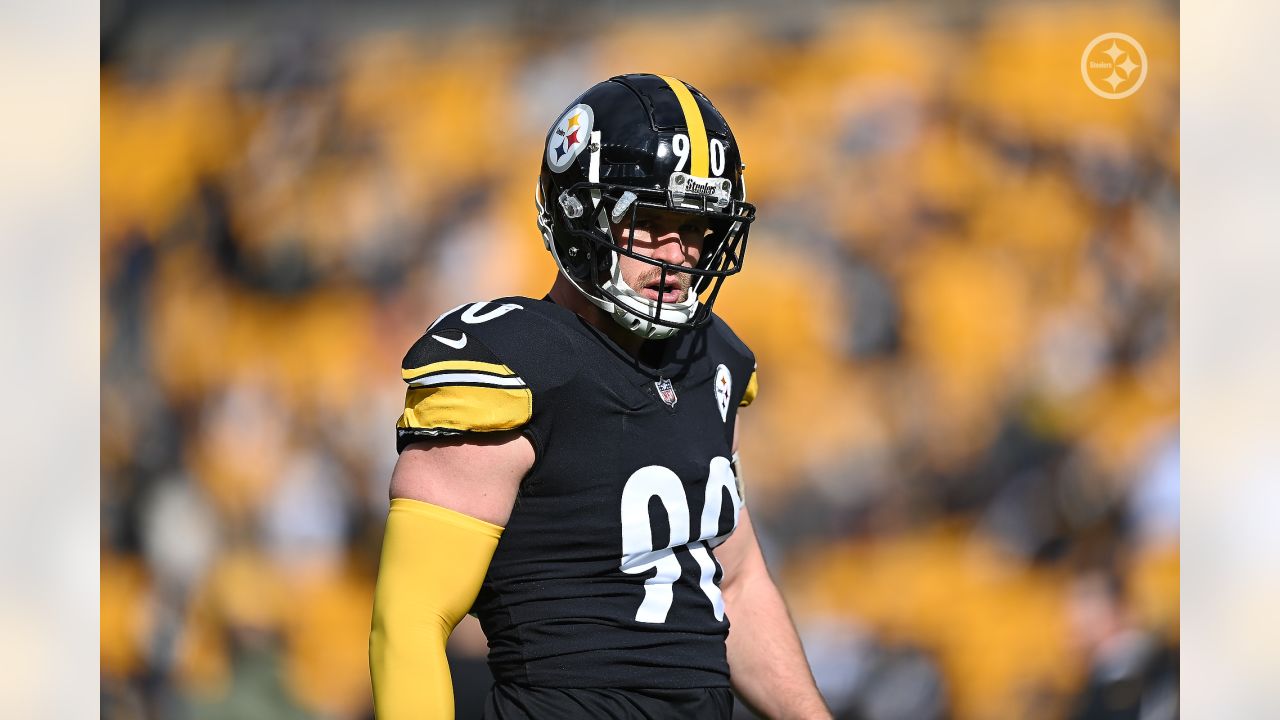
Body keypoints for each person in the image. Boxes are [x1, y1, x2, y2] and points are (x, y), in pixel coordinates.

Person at [369, 73, 830, 719]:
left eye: (698, 227)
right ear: (583, 215)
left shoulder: (708, 361)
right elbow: (412, 615)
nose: (681, 253)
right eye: (654, 222)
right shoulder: (514, 364)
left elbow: (737, 578)